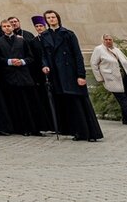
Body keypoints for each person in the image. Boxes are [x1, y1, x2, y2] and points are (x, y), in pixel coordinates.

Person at [40, 10, 103, 142]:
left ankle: (90, 132)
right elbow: (44, 55)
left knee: (79, 103)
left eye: (53, 17)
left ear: (58, 18)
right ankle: (76, 131)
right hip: (57, 75)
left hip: (71, 73)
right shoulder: (44, 36)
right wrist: (45, 65)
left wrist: (81, 75)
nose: (51, 19)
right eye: (49, 18)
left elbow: (77, 55)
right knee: (67, 104)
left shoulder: (68, 34)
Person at [90, 34, 127, 126]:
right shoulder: (99, 50)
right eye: (106, 39)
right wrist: (99, 77)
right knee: (122, 98)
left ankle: (125, 119)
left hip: (124, 76)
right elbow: (94, 64)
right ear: (103, 40)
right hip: (112, 79)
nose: (108, 41)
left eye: (110, 39)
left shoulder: (117, 50)